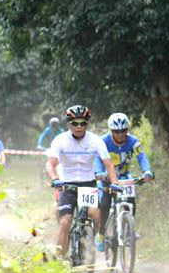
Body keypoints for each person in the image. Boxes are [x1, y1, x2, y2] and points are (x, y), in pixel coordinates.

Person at [45, 105, 119, 257]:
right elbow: (50, 163)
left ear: (87, 124)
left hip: (87, 184)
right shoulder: (60, 140)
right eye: (75, 123)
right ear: (68, 124)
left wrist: (115, 183)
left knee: (96, 215)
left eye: (83, 123)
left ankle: (92, 240)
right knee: (65, 222)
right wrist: (55, 179)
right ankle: (59, 260)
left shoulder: (95, 141)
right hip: (67, 185)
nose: (79, 127)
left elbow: (109, 164)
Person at [93, 112, 154, 251]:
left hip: (124, 176)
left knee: (130, 199)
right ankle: (101, 234)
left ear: (127, 130)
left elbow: (142, 157)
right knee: (105, 205)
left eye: (123, 131)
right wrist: (99, 173)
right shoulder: (103, 141)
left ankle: (129, 228)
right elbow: (97, 159)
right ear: (111, 130)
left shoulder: (133, 141)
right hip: (107, 178)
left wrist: (147, 171)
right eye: (116, 131)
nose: (120, 134)